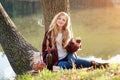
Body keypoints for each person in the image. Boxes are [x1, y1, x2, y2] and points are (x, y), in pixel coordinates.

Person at [42, 12, 108, 69]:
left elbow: (72, 46)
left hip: (68, 54)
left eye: (63, 20)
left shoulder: (66, 32)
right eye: (59, 19)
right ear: (56, 19)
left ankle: (95, 64)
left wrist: (77, 45)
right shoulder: (49, 32)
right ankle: (84, 64)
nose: (61, 21)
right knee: (61, 66)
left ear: (65, 23)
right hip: (58, 60)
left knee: (72, 61)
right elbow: (44, 48)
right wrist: (46, 62)